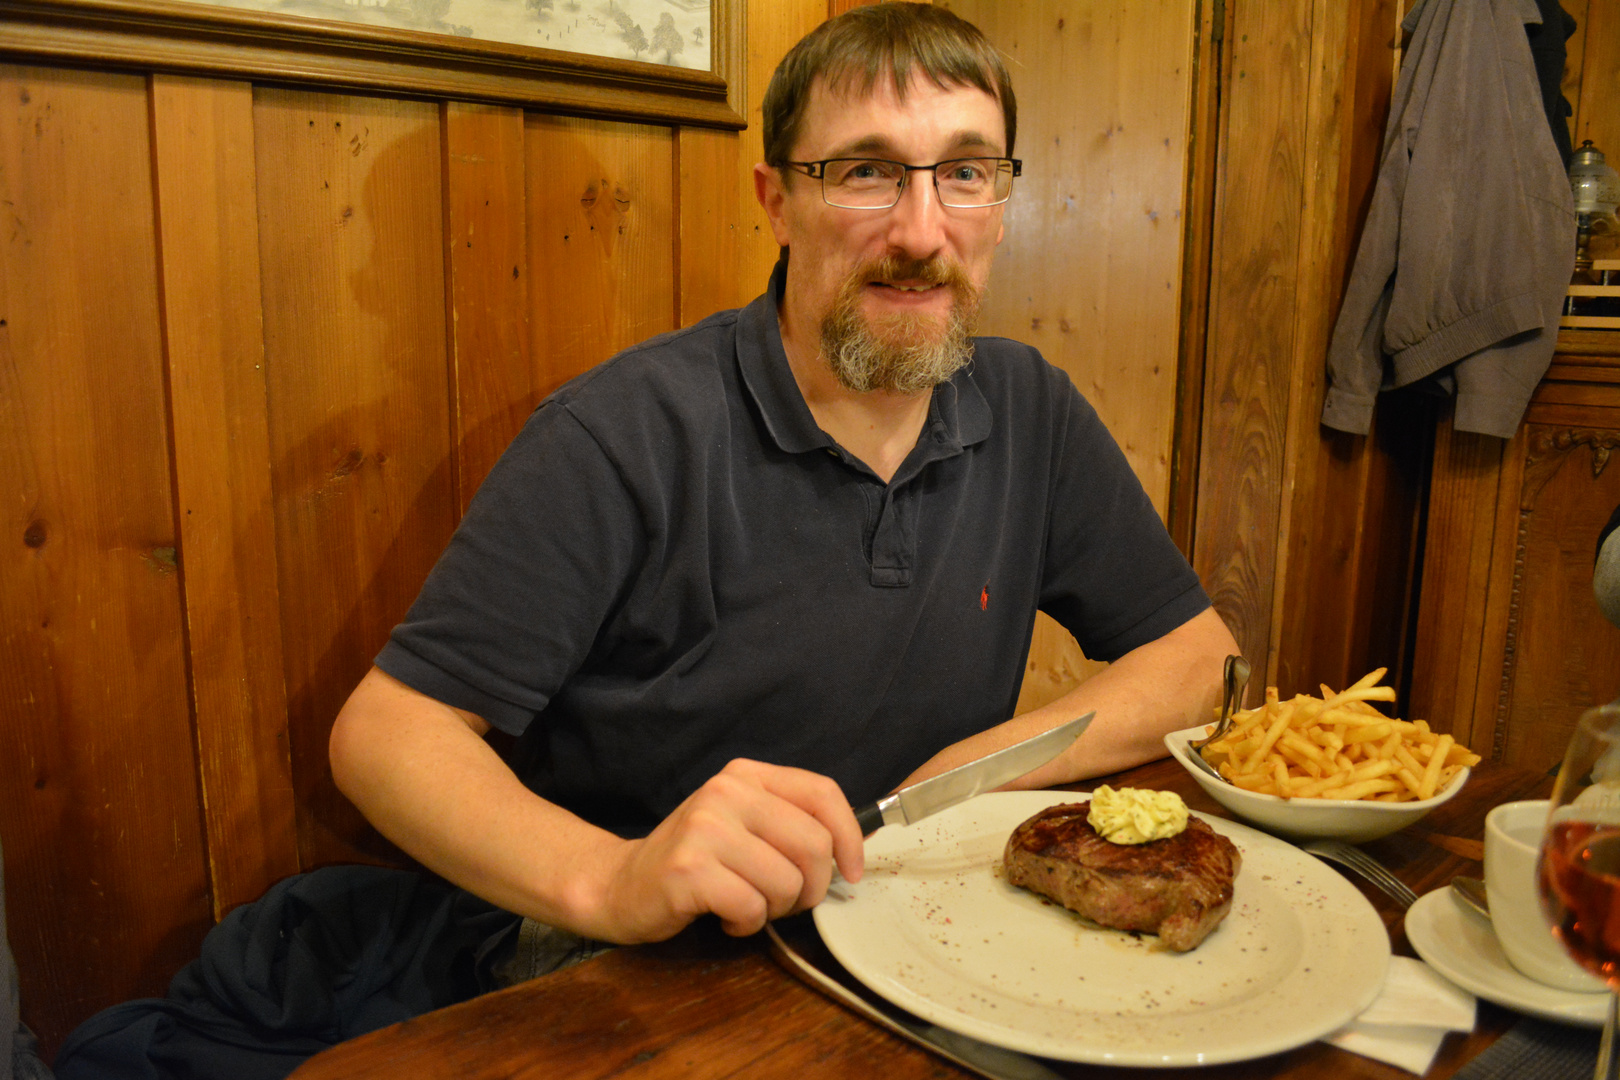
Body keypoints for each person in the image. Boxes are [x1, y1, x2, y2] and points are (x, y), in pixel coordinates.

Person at [329, 2, 1238, 950]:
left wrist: (967, 773)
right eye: (867, 173)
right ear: (777, 202)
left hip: (914, 917)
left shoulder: (1028, 407)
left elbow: (1196, 663)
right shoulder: (621, 432)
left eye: (965, 173)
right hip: (641, 958)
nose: (923, 232)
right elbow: (389, 735)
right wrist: (613, 880)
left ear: (1000, 206)